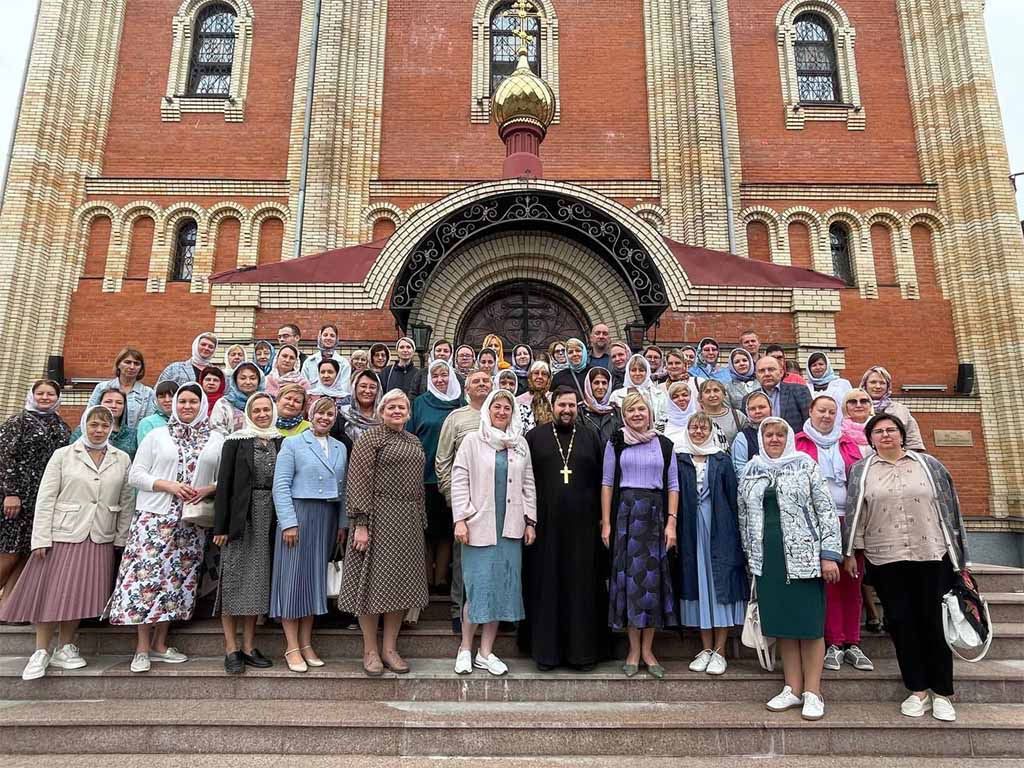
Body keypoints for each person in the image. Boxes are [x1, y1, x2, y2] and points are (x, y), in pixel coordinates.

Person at [844, 413, 968, 722]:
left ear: (902, 435)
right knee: (900, 623)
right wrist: (850, 552)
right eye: (879, 431)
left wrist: (960, 556)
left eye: (891, 430)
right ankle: (917, 690)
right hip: (886, 557)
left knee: (933, 623)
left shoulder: (929, 465)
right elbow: (856, 510)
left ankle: (943, 693)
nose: (886, 435)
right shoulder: (861, 471)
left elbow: (950, 508)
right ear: (870, 439)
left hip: (930, 554)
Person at [0, 405, 133, 680]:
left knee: (79, 594)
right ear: (84, 425)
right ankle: (41, 650)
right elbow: (46, 497)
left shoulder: (121, 458)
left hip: (100, 534)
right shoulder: (64, 455)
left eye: (104, 426)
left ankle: (66, 647)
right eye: (94, 425)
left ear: (111, 428)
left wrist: (121, 537)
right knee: (52, 593)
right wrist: (40, 538)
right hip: (63, 532)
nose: (99, 430)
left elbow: (126, 501)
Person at [109, 383, 224, 673]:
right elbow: (135, 474)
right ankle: (142, 648)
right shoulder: (157, 436)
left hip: (191, 522)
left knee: (177, 582)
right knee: (146, 579)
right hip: (154, 518)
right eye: (182, 401)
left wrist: (207, 488)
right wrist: (168, 485)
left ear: (202, 405)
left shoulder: (216, 438)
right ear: (174, 404)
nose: (187, 406)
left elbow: (226, 478)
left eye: (193, 402)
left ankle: (161, 643)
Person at [737, 417, 841, 721]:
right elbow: (743, 516)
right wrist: (750, 558)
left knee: (808, 627)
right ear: (761, 437)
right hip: (767, 559)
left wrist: (829, 554)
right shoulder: (751, 470)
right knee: (783, 627)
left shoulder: (805, 464)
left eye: (780, 434)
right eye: (768, 434)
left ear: (788, 438)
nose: (773, 439)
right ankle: (792, 688)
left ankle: (813, 691)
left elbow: (825, 509)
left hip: (804, 557)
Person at [339, 389, 429, 675]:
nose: (396, 411)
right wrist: (361, 524)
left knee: (399, 585)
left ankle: (390, 648)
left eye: (401, 406)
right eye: (390, 406)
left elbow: (417, 485)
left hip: (407, 520)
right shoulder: (371, 438)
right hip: (377, 516)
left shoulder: (413, 440)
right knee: (372, 584)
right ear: (381, 411)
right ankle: (370, 650)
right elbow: (358, 480)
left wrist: (421, 518)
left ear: (408, 412)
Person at [521, 387, 609, 670]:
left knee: (581, 586)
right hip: (545, 527)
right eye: (562, 405)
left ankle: (582, 654)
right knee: (547, 586)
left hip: (583, 528)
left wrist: (601, 520)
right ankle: (547, 653)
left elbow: (601, 481)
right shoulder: (534, 437)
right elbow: (524, 481)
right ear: (552, 405)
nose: (567, 410)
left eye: (571, 405)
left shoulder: (590, 436)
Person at [452, 389, 537, 676]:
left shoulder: (520, 443)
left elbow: (528, 484)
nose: (502, 412)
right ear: (488, 409)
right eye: (497, 407)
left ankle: (485, 652)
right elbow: (459, 479)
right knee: (477, 588)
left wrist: (530, 521)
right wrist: (461, 519)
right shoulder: (472, 441)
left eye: (507, 408)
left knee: (501, 588)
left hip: (510, 527)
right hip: (479, 525)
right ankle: (465, 647)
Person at [602, 391, 678, 678]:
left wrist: (672, 523)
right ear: (625, 414)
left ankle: (649, 649)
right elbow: (607, 482)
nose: (637, 414)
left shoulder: (665, 444)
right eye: (631, 410)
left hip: (657, 517)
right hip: (627, 515)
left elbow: (673, 485)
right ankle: (634, 650)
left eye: (641, 410)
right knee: (631, 583)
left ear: (650, 413)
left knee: (654, 584)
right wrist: (606, 522)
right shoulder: (616, 442)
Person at [795, 394, 873, 673]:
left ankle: (852, 641)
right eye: (821, 411)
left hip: (849, 520)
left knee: (852, 580)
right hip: (814, 522)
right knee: (828, 581)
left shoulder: (848, 443)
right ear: (811, 412)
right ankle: (833, 642)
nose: (826, 416)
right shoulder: (799, 443)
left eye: (831, 412)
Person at [270, 396, 348, 673]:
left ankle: (306, 643)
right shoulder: (293, 443)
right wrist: (288, 523)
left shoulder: (340, 447)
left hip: (326, 519)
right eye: (320, 413)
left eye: (330, 414)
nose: (325, 418)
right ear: (310, 414)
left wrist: (342, 524)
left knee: (314, 581)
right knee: (293, 580)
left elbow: (344, 490)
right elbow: (280, 486)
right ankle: (291, 646)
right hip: (299, 517)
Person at [212, 393, 282, 674]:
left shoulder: (281, 440)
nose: (263, 414)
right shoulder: (236, 441)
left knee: (256, 583)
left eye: (267, 409)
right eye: (258, 409)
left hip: (269, 517)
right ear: (249, 412)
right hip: (241, 518)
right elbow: (224, 484)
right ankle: (231, 648)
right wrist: (221, 526)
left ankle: (249, 646)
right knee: (233, 582)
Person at [676, 412, 747, 676]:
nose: (697, 431)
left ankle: (721, 650)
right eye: (693, 427)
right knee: (699, 585)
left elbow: (732, 498)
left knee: (720, 586)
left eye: (702, 427)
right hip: (690, 529)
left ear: (710, 430)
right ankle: (705, 648)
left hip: (720, 528)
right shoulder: (680, 460)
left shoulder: (722, 459)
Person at [0, 380, 71, 611]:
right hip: (16, 498)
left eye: (50, 394)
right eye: (40, 393)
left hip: (43, 499)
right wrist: (11, 493)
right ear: (32, 395)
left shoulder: (61, 426)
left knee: (25, 554)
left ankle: (7, 606)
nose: (45, 398)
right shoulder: (17, 422)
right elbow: (5, 458)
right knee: (9, 552)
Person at [436, 368, 493, 634]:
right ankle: (459, 611)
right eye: (476, 381)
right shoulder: (456, 418)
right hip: (466, 503)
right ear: (466, 389)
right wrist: (452, 497)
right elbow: (443, 460)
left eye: (486, 380)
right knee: (463, 560)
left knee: (493, 558)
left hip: (495, 501)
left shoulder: (501, 415)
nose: (482, 384)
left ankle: (491, 611)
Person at [408, 360, 463, 598]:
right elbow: (409, 436)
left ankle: (440, 580)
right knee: (426, 531)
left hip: (454, 479)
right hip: (424, 476)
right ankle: (426, 581)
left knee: (446, 532)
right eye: (436, 376)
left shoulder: (460, 404)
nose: (441, 379)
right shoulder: (420, 403)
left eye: (445, 375)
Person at [87, 347, 155, 431]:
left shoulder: (148, 393)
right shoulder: (102, 387)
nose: (132, 367)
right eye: (127, 362)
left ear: (141, 368)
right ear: (118, 364)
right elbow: (89, 415)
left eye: (137, 364)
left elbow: (148, 423)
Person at [860, 366, 925, 451]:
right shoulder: (855, 408)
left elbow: (913, 440)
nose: (878, 386)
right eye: (873, 382)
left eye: (882, 383)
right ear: (865, 385)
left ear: (888, 386)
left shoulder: (900, 410)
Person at [70, 387, 138, 459]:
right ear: (100, 403)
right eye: (108, 401)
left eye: (119, 403)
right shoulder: (82, 431)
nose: (113, 406)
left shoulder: (132, 435)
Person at [609, 354, 669, 431]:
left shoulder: (659, 394)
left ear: (647, 372)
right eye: (633, 370)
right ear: (628, 372)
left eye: (641, 370)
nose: (637, 373)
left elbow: (665, 419)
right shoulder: (616, 395)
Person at [755, 354, 811, 434]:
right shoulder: (750, 398)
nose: (766, 374)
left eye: (771, 369)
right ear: (756, 375)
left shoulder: (800, 391)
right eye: (761, 371)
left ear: (781, 372)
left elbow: (810, 423)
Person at [210, 362, 264, 436]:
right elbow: (216, 431)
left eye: (252, 378)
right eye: (242, 378)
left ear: (259, 381)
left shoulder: (265, 403)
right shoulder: (223, 404)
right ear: (235, 381)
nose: (248, 382)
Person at [730, 391, 772, 476]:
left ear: (771, 408)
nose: (757, 411)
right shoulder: (742, 438)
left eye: (762, 407)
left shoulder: (783, 431)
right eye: (752, 409)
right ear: (747, 411)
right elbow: (740, 471)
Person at [338, 370, 383, 444]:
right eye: (363, 386)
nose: (367, 391)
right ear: (354, 388)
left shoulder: (384, 418)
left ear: (378, 390)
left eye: (372, 387)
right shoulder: (342, 415)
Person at [300, 324, 351, 390]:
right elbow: (303, 387)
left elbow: (345, 388)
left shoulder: (344, 363)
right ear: (320, 337)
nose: (328, 338)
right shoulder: (309, 362)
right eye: (325, 335)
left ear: (336, 339)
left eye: (332, 336)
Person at [698, 379, 744, 451]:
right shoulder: (696, 419)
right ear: (701, 397)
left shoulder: (737, 416)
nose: (712, 395)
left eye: (716, 390)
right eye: (707, 392)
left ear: (724, 394)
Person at [580, 367, 619, 445]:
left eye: (604, 383)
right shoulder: (580, 412)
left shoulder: (617, 411)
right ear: (589, 385)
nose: (600, 387)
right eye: (596, 383)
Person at [663, 380, 700, 454]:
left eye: (685, 395)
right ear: (670, 400)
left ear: (691, 397)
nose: (681, 399)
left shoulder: (702, 420)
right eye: (675, 397)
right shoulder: (662, 423)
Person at [516, 360, 552, 433]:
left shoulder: (554, 398)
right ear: (530, 376)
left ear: (549, 378)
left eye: (544, 374)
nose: (540, 377)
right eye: (536, 373)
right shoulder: (519, 400)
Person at [137, 380, 178, 445]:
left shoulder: (185, 421)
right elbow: (144, 451)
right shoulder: (147, 423)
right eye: (162, 397)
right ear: (156, 399)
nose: (167, 400)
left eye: (171, 396)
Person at [841, 388, 874, 457]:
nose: (858, 405)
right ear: (845, 406)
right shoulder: (838, 433)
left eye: (863, 401)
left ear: (870, 406)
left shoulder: (881, 428)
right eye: (853, 402)